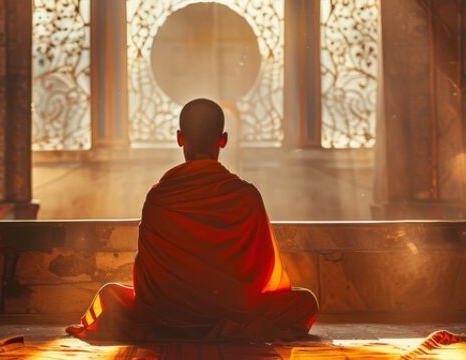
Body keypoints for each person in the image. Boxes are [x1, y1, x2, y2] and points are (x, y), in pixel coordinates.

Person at [65, 99, 318, 342]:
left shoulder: (160, 196)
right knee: (305, 302)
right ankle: (229, 330)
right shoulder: (245, 196)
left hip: (165, 316)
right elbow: (262, 271)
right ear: (223, 140)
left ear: (179, 138)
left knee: (110, 294)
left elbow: (147, 280)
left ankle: (180, 329)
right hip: (232, 312)